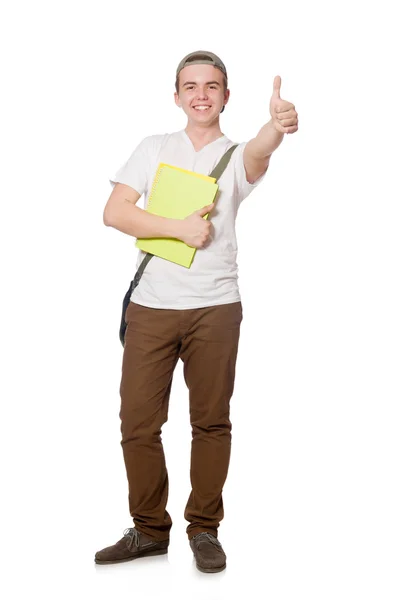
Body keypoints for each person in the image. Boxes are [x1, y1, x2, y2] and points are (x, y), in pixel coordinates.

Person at [95, 50, 298, 573]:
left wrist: (274, 127)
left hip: (215, 308)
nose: (201, 94)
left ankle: (204, 529)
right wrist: (179, 229)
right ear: (178, 95)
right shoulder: (154, 147)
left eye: (212, 86)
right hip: (151, 308)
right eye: (191, 86)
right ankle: (147, 531)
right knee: (138, 423)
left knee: (210, 423)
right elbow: (115, 212)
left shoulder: (235, 155)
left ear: (226, 96)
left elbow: (258, 151)